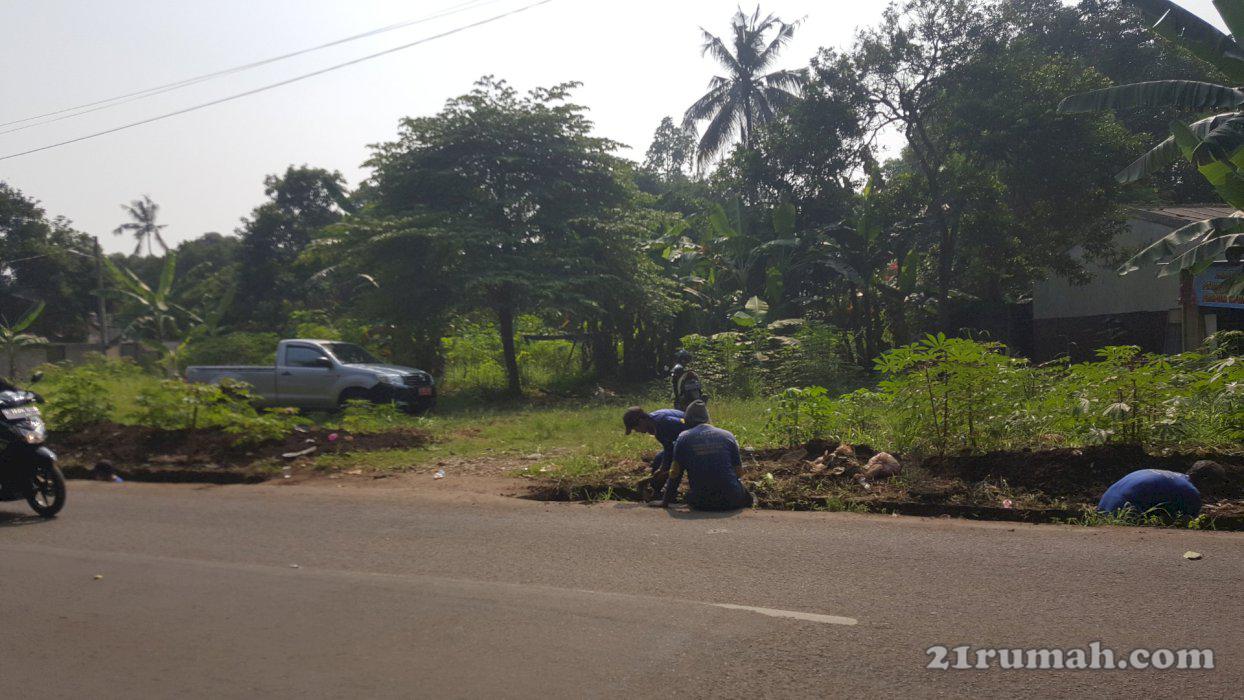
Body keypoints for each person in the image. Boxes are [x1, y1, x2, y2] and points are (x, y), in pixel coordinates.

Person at [650, 400, 752, 511]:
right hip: (732, 500)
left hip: (700, 502)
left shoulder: (682, 438)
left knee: (691, 495)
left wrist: (665, 502)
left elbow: (675, 475)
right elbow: (738, 472)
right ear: (707, 418)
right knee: (745, 493)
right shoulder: (727, 435)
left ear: (687, 420)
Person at [1097, 461, 1227, 518]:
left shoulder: (1176, 478)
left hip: (1103, 506)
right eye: (1213, 487)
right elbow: (1188, 522)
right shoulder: (1191, 493)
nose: (1211, 492)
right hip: (1118, 512)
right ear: (1205, 481)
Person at [622, 406, 687, 500]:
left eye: (635, 428)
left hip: (695, 441)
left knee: (675, 463)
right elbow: (668, 448)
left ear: (641, 421)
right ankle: (656, 491)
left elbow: (687, 429)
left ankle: (670, 492)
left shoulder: (664, 422)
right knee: (658, 459)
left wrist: (666, 468)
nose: (636, 431)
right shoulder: (654, 425)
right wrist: (661, 469)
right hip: (680, 443)